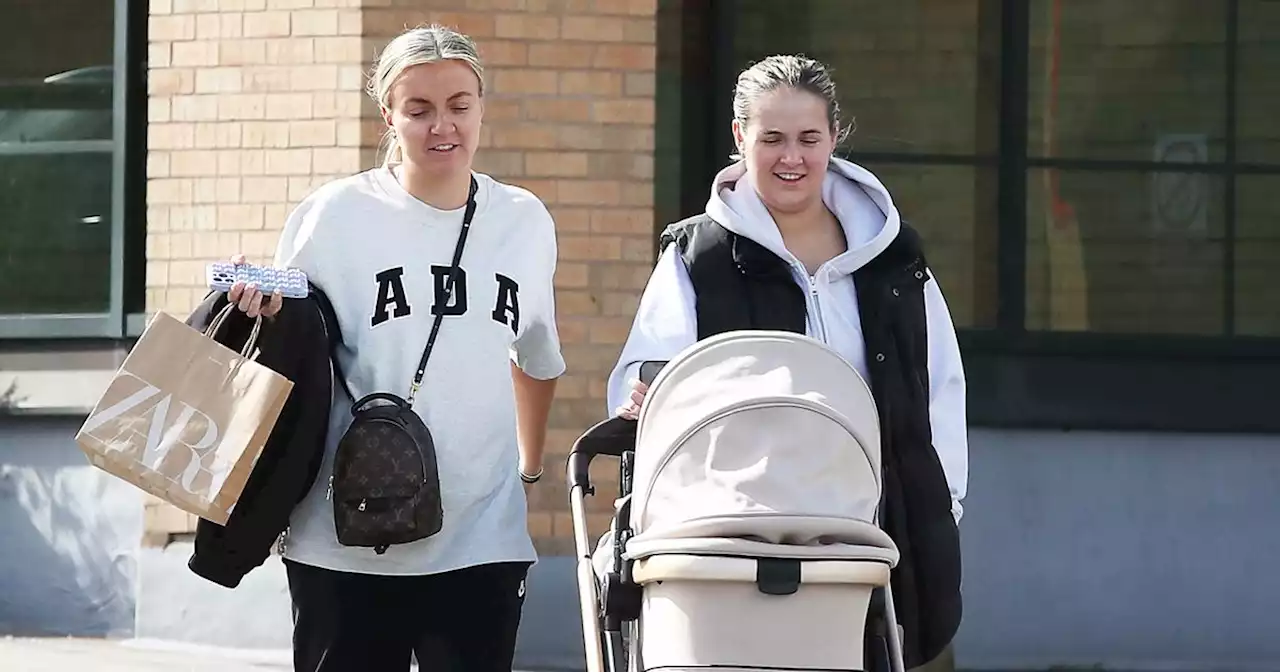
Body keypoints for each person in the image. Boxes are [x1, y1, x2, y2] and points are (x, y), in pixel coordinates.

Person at [605, 54, 968, 670]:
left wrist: (945, 502)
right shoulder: (699, 257)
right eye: (771, 138)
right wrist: (643, 391)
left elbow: (939, 386)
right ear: (739, 137)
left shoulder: (894, 260)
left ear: (834, 139)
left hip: (876, 535)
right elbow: (653, 374)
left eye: (808, 138)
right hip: (733, 540)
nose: (791, 158)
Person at [224, 24, 564, 672]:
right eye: (419, 109)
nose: (443, 126)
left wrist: (528, 468)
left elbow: (537, 357)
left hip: (480, 537)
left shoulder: (524, 222)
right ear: (389, 114)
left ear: (482, 106)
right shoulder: (335, 215)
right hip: (344, 538)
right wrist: (253, 299)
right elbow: (288, 334)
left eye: (460, 105)